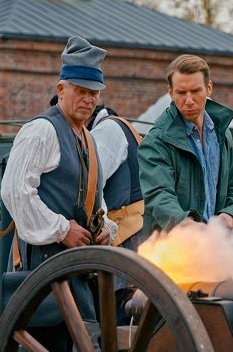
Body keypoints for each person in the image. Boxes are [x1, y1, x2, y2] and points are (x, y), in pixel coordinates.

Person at [1, 36, 116, 351]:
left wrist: (105, 228)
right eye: (80, 91)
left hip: (78, 270)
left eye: (93, 93)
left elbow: (96, 201)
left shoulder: (89, 139)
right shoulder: (41, 131)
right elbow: (16, 192)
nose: (88, 100)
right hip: (44, 269)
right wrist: (62, 229)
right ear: (61, 89)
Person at [138, 54, 233, 233]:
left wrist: (230, 213)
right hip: (170, 249)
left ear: (208, 88)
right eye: (181, 92)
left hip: (214, 244)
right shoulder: (156, 141)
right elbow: (159, 194)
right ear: (171, 93)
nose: (189, 100)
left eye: (195, 91)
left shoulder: (221, 132)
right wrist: (184, 222)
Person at [89, 103, 146, 325]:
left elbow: (90, 186)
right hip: (138, 235)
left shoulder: (105, 131)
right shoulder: (125, 127)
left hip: (123, 238)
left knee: (119, 318)